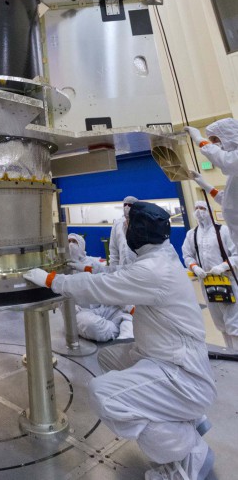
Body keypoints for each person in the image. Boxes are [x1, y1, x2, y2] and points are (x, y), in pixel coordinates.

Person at [24, 201, 216, 480]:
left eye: (127, 223)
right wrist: (86, 268)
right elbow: (118, 274)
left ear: (139, 229)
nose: (123, 228)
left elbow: (101, 288)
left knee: (104, 394)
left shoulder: (153, 271)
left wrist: (52, 279)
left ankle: (188, 451)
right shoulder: (159, 256)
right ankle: (189, 418)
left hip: (180, 374)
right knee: (108, 357)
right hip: (163, 357)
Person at [182, 200, 238, 351]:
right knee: (220, 322)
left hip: (227, 281)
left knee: (234, 321)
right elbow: (187, 255)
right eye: (196, 208)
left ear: (210, 211)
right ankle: (230, 352)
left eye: (202, 208)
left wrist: (223, 266)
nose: (199, 211)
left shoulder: (223, 231)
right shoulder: (192, 234)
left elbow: (236, 254)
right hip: (207, 282)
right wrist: (194, 267)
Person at [67, 233, 134, 341]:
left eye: (74, 242)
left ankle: (125, 337)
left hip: (103, 306)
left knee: (126, 313)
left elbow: (108, 284)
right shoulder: (64, 269)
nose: (71, 245)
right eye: (68, 242)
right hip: (83, 311)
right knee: (91, 325)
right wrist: (70, 308)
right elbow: (59, 293)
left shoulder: (92, 263)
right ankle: (119, 329)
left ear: (82, 245)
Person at [185, 118, 238, 244]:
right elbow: (229, 202)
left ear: (229, 135)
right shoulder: (234, 175)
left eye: (215, 139)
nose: (214, 144)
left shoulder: (233, 163)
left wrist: (200, 140)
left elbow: (225, 161)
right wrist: (206, 186)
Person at [108, 195, 138, 269]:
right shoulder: (117, 224)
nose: (127, 207)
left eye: (130, 205)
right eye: (125, 204)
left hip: (138, 268)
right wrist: (113, 268)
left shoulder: (142, 223)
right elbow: (113, 248)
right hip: (122, 268)